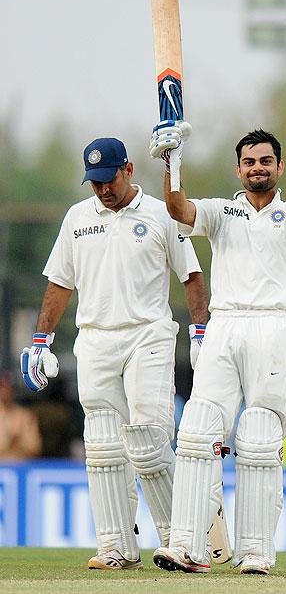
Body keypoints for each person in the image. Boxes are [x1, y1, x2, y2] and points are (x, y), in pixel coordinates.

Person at [148, 114, 286, 574]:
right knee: (197, 430)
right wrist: (172, 161)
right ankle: (187, 546)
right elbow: (179, 209)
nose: (257, 167)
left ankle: (256, 552)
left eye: (265, 161)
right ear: (238, 170)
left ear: (278, 167)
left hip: (274, 325)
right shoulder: (222, 211)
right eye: (249, 162)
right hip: (225, 322)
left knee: (259, 436)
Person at [20, 137, 209, 569]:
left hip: (149, 335)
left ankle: (183, 543)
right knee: (103, 447)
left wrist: (201, 331)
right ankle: (118, 547)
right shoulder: (77, 217)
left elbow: (192, 275)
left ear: (128, 170)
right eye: (94, 183)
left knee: (147, 441)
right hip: (95, 339)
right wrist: (40, 340)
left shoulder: (162, 213)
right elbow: (59, 281)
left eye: (108, 180)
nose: (102, 190)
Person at [0, 371, 42, 461]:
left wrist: (15, 446)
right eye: (2, 387)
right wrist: (11, 444)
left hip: (21, 466)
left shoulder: (25, 416)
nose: (4, 392)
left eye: (8, 388)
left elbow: (35, 448)